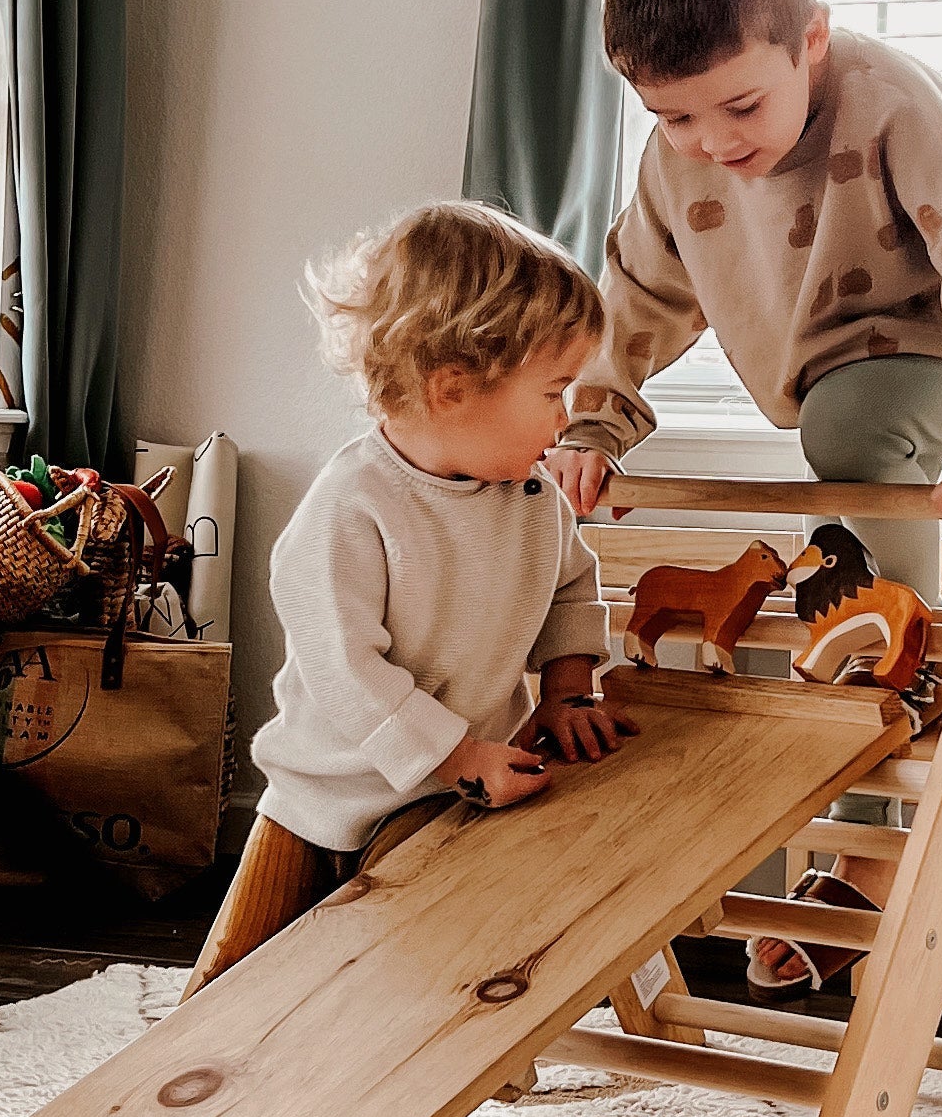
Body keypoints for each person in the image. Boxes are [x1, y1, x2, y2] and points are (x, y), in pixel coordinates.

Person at [541, 0, 942, 989]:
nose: (708, 142)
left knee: (852, 431)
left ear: (812, 40)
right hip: (842, 376)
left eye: (740, 107)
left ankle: (907, 661)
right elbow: (637, 296)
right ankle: (851, 858)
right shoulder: (681, 160)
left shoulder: (894, 106)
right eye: (672, 116)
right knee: (836, 496)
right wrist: (594, 425)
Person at [190, 202, 632, 990]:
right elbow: (346, 670)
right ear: (453, 388)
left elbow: (570, 588)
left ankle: (463, 1044)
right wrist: (460, 757)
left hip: (453, 784)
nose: (566, 421)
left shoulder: (528, 497)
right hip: (331, 785)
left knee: (429, 945)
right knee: (242, 972)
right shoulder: (354, 507)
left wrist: (567, 691)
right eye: (554, 392)